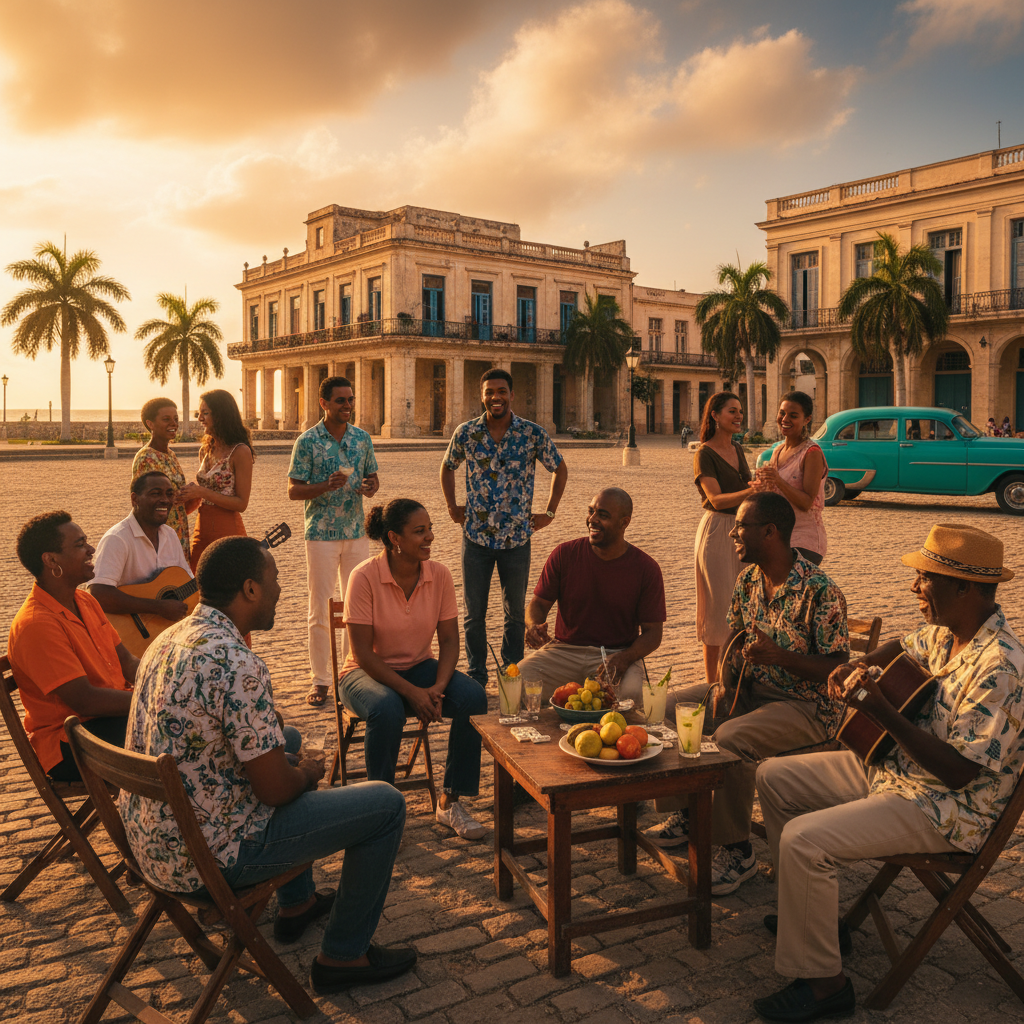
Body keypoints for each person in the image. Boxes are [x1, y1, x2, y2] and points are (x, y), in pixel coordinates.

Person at [752, 524, 1023, 1022]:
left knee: (804, 841)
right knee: (773, 777)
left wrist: (882, 711)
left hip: (945, 809)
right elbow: (902, 644)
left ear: (964, 588)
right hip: (896, 772)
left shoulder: (1001, 667)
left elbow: (959, 773)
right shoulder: (947, 630)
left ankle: (825, 985)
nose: (914, 588)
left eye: (924, 579)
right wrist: (857, 665)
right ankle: (817, 923)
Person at [122, 536, 416, 994]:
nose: (281, 588)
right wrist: (308, 774)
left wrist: (284, 753)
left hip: (154, 842)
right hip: (210, 856)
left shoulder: (168, 639)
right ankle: (344, 955)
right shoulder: (238, 662)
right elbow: (276, 791)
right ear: (250, 589)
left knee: (289, 738)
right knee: (385, 805)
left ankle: (296, 904)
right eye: (275, 579)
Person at [645, 492, 849, 897]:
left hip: (806, 706)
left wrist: (781, 657)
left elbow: (838, 669)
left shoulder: (821, 591)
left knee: (731, 739)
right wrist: (723, 682)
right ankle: (686, 812)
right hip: (747, 689)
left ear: (770, 533)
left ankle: (737, 850)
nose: (734, 533)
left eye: (741, 527)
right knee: (665, 709)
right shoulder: (748, 580)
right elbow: (733, 640)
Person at [339, 500, 489, 840]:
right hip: (364, 674)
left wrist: (436, 688)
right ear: (395, 538)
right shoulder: (363, 577)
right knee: (386, 707)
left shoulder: (439, 575)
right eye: (419, 532)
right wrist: (412, 693)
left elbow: (450, 641)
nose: (430, 538)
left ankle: (450, 801)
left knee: (473, 697)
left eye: (430, 529)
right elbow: (362, 653)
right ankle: (381, 813)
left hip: (420, 668)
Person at [440, 368, 568, 688]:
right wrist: (452, 507)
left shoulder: (532, 434)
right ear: (482, 396)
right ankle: (477, 676)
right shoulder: (467, 433)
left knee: (514, 615)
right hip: (476, 538)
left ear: (512, 395)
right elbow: (447, 467)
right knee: (474, 616)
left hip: (516, 538)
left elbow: (559, 469)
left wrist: (549, 513)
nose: (495, 397)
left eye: (501, 391)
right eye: (489, 392)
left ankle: (512, 673)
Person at [8, 511, 137, 781]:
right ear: (51, 560)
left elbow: (127, 663)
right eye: (80, 545)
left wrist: (171, 679)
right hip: (71, 742)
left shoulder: (85, 601)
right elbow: (85, 701)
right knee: (182, 732)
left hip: (109, 720)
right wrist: (153, 701)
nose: (91, 550)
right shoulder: (36, 624)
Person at [518, 487, 665, 707]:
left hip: (616, 655)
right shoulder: (564, 554)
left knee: (631, 697)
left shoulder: (646, 568)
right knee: (514, 682)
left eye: (603, 515)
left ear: (624, 523)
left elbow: (653, 634)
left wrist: (626, 658)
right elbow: (538, 604)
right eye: (591, 511)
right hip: (564, 650)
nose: (592, 520)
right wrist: (532, 626)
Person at [288, 375, 380, 708]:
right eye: (340, 400)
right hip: (321, 535)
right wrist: (325, 486)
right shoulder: (308, 442)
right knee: (320, 608)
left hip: (356, 532)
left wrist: (370, 487)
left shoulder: (362, 439)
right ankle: (321, 680)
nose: (347, 406)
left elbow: (373, 478)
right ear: (324, 403)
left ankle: (349, 673)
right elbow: (293, 490)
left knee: (357, 607)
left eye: (350, 399)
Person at [693, 392, 756, 687]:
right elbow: (716, 499)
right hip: (718, 530)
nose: (738, 416)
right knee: (719, 608)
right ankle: (711, 685)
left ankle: (735, 678)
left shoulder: (738, 449)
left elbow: (744, 486)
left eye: (740, 411)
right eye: (732, 411)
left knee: (743, 604)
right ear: (715, 415)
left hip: (744, 530)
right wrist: (752, 490)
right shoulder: (704, 453)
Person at [90, 471, 194, 625]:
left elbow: (188, 581)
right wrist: (157, 607)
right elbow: (99, 593)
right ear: (134, 499)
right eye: (155, 494)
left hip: (162, 630)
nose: (165, 500)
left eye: (169, 494)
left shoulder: (170, 535)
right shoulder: (117, 539)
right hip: (129, 633)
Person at [178, 389, 254, 574]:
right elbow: (203, 495)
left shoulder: (240, 451)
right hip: (202, 525)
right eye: (199, 413)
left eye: (205, 413)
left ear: (221, 415)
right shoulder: (206, 450)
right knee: (195, 578)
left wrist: (202, 492)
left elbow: (241, 503)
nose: (200, 418)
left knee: (226, 584)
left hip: (227, 527)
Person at [756, 391, 828, 564]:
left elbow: (807, 502)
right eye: (782, 413)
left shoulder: (811, 453)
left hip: (804, 540)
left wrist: (778, 480)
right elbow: (774, 495)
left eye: (793, 415)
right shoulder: (778, 451)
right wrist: (760, 487)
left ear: (807, 419)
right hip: (778, 537)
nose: (785, 419)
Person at [131, 397, 192, 559]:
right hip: (159, 537)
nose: (174, 424)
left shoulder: (171, 455)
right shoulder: (146, 458)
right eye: (166, 419)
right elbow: (144, 503)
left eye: (176, 419)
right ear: (150, 424)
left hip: (178, 532)